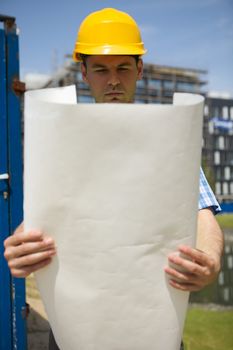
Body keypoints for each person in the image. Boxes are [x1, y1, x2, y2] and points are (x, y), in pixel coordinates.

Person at [4, 8, 224, 350]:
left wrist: (210, 261)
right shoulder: (57, 139)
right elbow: (42, 219)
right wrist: (22, 244)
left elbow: (202, 214)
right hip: (73, 329)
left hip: (154, 327)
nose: (113, 81)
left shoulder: (169, 140)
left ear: (139, 70)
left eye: (123, 68)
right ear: (84, 72)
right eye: (101, 69)